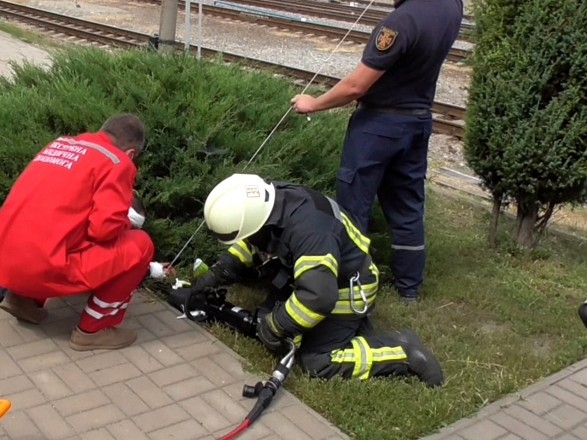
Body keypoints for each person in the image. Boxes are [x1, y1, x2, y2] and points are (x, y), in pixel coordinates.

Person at [181, 173, 443, 387]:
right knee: (271, 321)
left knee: (317, 361)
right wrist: (217, 275)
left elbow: (318, 297)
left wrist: (276, 325)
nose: (246, 243)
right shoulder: (272, 204)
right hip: (320, 277)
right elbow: (252, 244)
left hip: (342, 290)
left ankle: (404, 351)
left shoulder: (310, 231)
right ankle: (352, 330)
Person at [290, 0, 463, 303]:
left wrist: (313, 104)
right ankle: (409, 289)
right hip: (418, 121)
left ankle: (353, 283)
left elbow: (356, 86)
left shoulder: (401, 21)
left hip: (378, 126)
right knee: (408, 207)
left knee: (353, 207)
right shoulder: (452, 6)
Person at [0, 114, 154, 351]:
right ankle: (94, 330)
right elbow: (104, 230)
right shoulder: (118, 162)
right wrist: (126, 224)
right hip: (43, 267)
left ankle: (21, 299)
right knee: (140, 244)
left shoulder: (60, 145)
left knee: (48, 229)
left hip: (6, 260)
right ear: (131, 153)